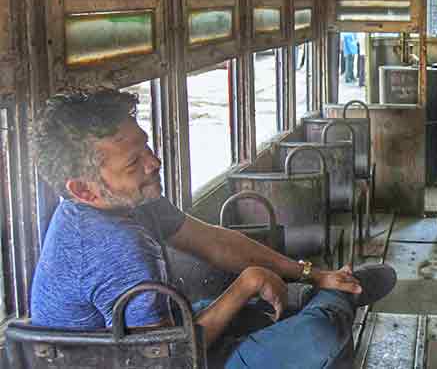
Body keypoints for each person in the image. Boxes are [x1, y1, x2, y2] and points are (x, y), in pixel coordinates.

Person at [29, 90, 396, 369]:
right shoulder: (113, 248)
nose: (155, 162)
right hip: (167, 359)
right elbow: (164, 362)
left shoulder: (126, 203)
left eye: (147, 147)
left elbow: (217, 243)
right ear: (82, 188)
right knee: (318, 337)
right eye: (133, 163)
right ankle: (339, 299)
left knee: (271, 302)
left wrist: (313, 273)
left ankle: (325, 292)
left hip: (170, 333)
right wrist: (246, 284)